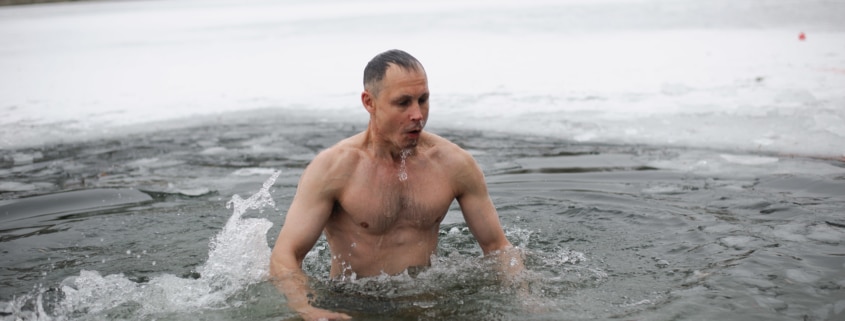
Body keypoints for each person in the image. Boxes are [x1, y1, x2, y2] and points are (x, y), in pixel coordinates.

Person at [269, 49, 524, 321]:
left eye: (423, 100)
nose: (417, 114)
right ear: (370, 102)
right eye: (403, 103)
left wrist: (524, 296)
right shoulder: (335, 169)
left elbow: (497, 247)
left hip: (429, 303)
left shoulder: (454, 164)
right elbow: (285, 256)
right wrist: (307, 310)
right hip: (353, 305)